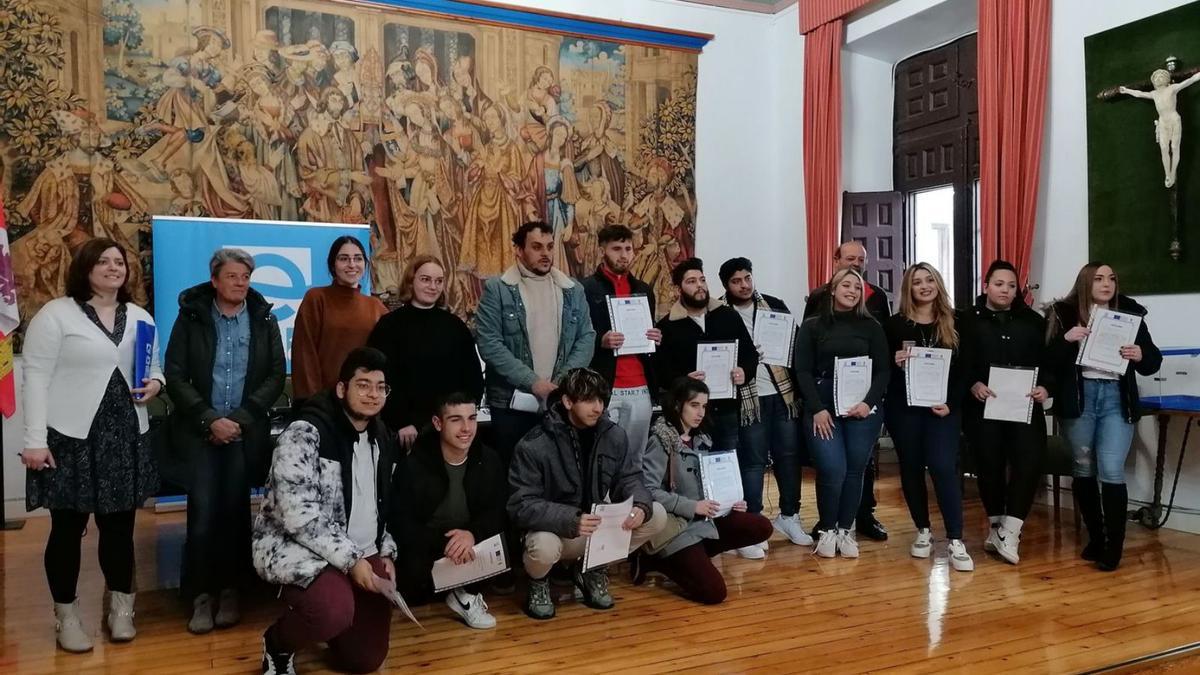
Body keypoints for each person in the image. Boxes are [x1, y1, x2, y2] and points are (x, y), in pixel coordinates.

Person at [20, 239, 163, 652]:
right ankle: (66, 616)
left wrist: (156, 383)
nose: (113, 268)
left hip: (124, 436)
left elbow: (153, 366)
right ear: (85, 268)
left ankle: (121, 610)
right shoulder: (56, 314)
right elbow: (36, 379)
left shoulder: (138, 315)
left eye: (119, 262)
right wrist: (33, 440)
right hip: (70, 438)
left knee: (119, 530)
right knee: (66, 531)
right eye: (103, 261)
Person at [253, 348, 400, 675]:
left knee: (365, 660)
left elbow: (382, 507)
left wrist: (386, 551)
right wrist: (352, 561)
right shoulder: (305, 433)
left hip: (361, 550)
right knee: (331, 610)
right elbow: (299, 518)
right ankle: (278, 644)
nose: (373, 394)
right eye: (363, 385)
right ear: (341, 389)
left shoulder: (382, 438)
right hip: (302, 550)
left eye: (380, 387)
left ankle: (333, 624)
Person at [165, 248, 286, 634]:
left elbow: (274, 375)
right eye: (233, 276)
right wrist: (209, 419)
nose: (240, 283)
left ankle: (233, 592)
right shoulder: (192, 316)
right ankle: (201, 596)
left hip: (242, 432)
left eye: (246, 277)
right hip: (202, 432)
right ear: (215, 280)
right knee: (202, 516)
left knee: (236, 514)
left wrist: (240, 420)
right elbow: (176, 373)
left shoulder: (263, 317)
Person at [508, 368, 667, 620]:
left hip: (594, 526)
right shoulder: (534, 444)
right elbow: (521, 505)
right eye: (589, 400)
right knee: (544, 547)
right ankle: (539, 582)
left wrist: (639, 505)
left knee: (656, 514)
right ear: (568, 401)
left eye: (601, 400)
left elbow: (629, 478)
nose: (598, 407)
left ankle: (593, 568)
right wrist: (570, 519)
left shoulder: (613, 435)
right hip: (557, 530)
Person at [1045, 262, 1162, 571]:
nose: (1107, 284)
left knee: (1111, 469)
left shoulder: (1131, 313)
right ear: (1085, 283)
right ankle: (1096, 538)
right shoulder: (1063, 312)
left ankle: (1114, 547)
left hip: (1115, 398)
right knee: (1083, 468)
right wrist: (1066, 340)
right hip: (1080, 398)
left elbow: (1152, 361)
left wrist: (1140, 354)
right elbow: (1047, 362)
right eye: (1098, 278)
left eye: (1112, 278)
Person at [638, 377, 774, 604]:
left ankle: (695, 556)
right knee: (714, 593)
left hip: (703, 521)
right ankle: (658, 561)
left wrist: (731, 503)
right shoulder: (660, 439)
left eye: (704, 406)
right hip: (677, 528)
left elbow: (710, 485)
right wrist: (693, 507)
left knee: (760, 526)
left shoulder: (702, 439)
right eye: (694, 405)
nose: (700, 412)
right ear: (677, 404)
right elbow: (649, 491)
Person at [476, 221, 596, 464]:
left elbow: (586, 337)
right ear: (519, 250)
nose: (546, 254)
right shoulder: (497, 289)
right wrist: (533, 383)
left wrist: (559, 383)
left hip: (560, 401)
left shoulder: (573, 290)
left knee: (558, 475)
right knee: (514, 475)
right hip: (511, 404)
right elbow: (489, 343)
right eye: (537, 247)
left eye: (550, 247)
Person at [718, 257, 811, 558]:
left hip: (782, 395)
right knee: (753, 461)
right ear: (726, 285)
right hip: (748, 399)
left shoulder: (774, 305)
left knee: (788, 456)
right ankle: (753, 523)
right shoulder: (718, 312)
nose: (744, 285)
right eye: (736, 281)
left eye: (747, 278)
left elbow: (796, 342)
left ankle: (789, 516)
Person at [793, 268, 889, 559]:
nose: (851, 291)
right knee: (831, 468)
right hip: (822, 406)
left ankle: (845, 530)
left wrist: (868, 403)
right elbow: (803, 371)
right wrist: (817, 409)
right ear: (832, 290)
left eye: (857, 287)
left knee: (855, 469)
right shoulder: (812, 326)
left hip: (862, 407)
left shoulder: (872, 326)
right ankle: (827, 529)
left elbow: (884, 370)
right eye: (845, 285)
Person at [884, 263, 974, 572]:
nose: (924, 286)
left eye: (929, 280)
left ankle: (955, 539)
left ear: (937, 283)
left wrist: (952, 402)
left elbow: (966, 370)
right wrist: (894, 361)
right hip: (904, 408)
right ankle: (922, 530)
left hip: (944, 409)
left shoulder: (957, 321)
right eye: (917, 282)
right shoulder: (895, 325)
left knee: (942, 466)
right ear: (908, 289)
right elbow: (882, 368)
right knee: (910, 467)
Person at [391, 392, 507, 629]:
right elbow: (402, 522)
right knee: (412, 583)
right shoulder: (414, 465)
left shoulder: (489, 459)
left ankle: (464, 594)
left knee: (505, 548)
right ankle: (453, 590)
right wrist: (445, 543)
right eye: (456, 419)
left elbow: (497, 511)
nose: (466, 428)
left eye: (472, 418)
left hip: (471, 542)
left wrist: (472, 534)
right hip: (431, 544)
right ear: (437, 423)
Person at [964, 260, 1052, 566]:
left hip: (1025, 406)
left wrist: (1045, 388)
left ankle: (1012, 530)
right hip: (983, 408)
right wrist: (972, 383)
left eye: (1012, 286)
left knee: (1029, 463)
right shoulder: (966, 320)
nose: (1005, 290)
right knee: (989, 466)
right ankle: (996, 528)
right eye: (999, 284)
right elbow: (957, 362)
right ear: (986, 285)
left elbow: (1049, 362)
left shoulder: (1033, 321)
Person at [368, 256, 484, 448]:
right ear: (410, 282)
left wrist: (459, 418)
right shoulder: (389, 326)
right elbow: (381, 378)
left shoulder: (455, 326)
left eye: (439, 281)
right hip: (406, 432)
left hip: (449, 426)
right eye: (425, 279)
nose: (433, 286)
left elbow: (472, 379)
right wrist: (401, 421)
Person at [654, 258, 757, 456]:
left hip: (726, 410)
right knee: (693, 467)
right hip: (690, 415)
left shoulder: (728, 316)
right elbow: (662, 372)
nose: (699, 286)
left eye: (702, 279)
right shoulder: (667, 327)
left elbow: (750, 354)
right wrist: (684, 381)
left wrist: (745, 372)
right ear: (678, 289)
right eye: (691, 282)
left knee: (726, 466)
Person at [582, 225, 662, 461]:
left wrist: (655, 338)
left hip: (640, 384)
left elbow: (650, 335)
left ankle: (632, 498)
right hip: (604, 384)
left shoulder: (644, 290)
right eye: (617, 248)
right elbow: (576, 336)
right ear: (602, 251)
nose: (624, 254)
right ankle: (601, 499)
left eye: (628, 248)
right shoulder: (586, 288)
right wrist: (600, 340)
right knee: (600, 454)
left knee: (635, 455)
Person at [291, 236, 387, 401]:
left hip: (365, 404)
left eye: (358, 259)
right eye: (344, 259)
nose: (351, 264)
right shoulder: (316, 298)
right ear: (333, 265)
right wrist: (313, 404)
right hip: (324, 404)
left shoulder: (376, 306)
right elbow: (304, 355)